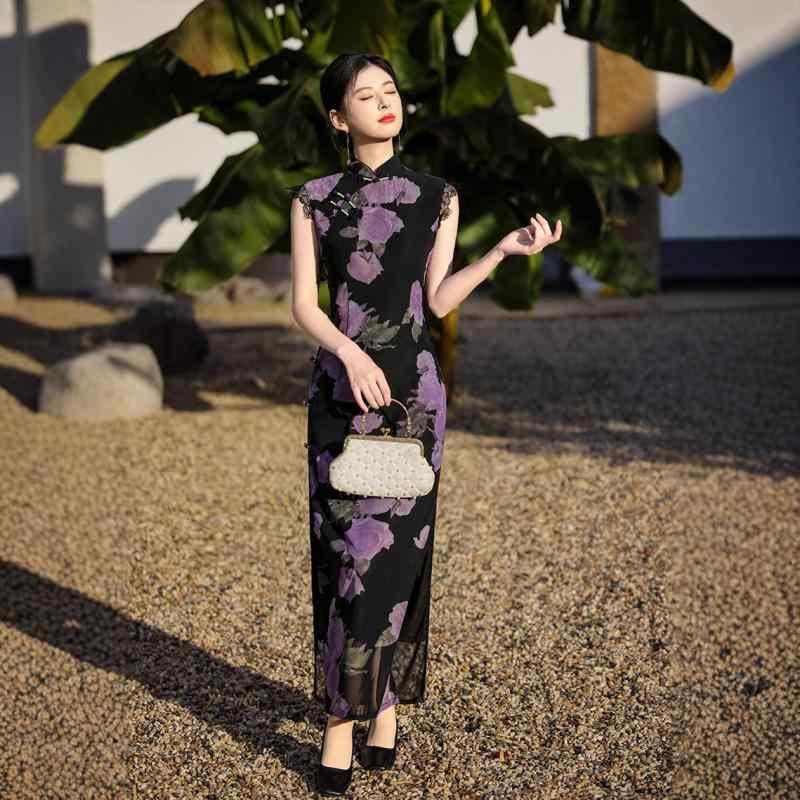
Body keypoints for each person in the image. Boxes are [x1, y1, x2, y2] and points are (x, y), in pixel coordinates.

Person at [288, 53, 562, 796]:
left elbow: (436, 300)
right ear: (338, 118)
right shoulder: (314, 199)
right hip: (342, 395)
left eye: (390, 90)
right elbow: (305, 305)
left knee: (398, 561)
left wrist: (500, 253)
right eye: (365, 95)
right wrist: (349, 354)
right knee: (348, 558)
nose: (385, 101)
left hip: (413, 397)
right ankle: (346, 718)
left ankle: (373, 712)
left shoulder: (438, 197)